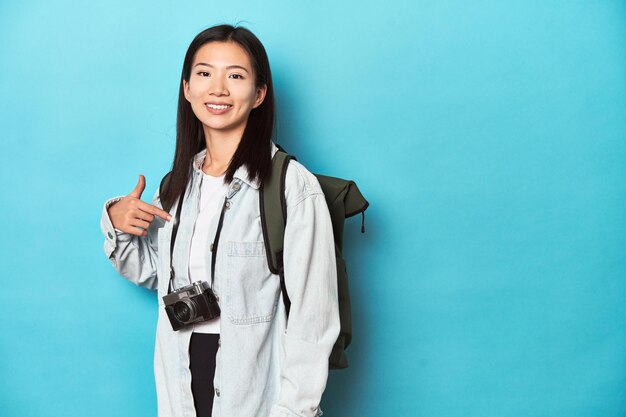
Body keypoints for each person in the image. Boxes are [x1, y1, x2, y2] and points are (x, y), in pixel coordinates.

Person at [100, 24, 340, 417]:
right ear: (187, 88)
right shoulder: (176, 184)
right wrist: (117, 223)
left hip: (254, 380)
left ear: (259, 93)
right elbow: (154, 275)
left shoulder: (292, 187)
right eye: (205, 73)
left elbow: (314, 319)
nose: (218, 89)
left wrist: (294, 410)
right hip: (181, 370)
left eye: (236, 75)